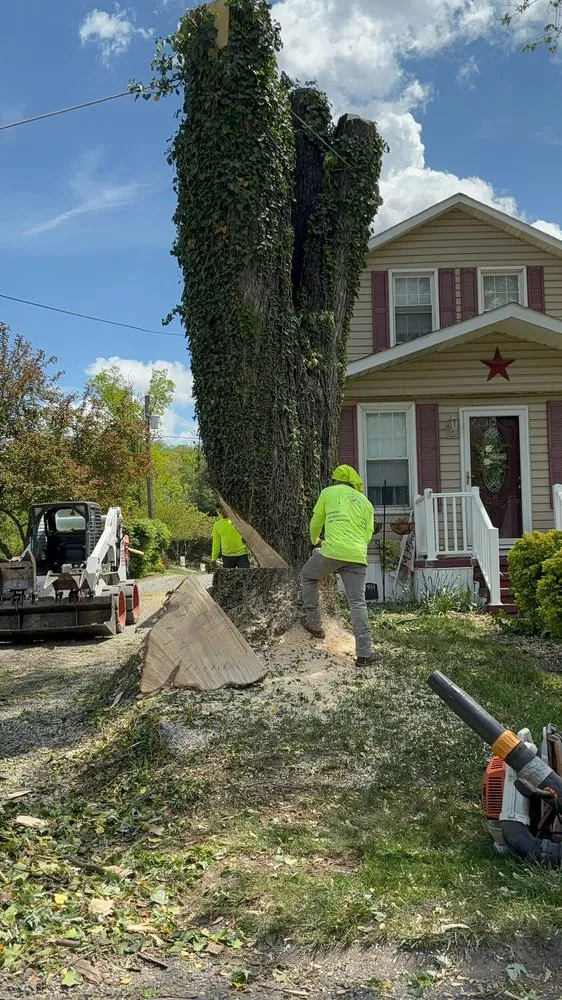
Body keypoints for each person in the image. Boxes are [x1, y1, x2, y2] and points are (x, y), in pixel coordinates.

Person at [300, 464, 381, 667]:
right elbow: (368, 533)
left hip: (332, 552)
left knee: (308, 576)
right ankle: (364, 653)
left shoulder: (328, 492)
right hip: (357, 555)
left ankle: (315, 624)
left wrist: (314, 540)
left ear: (336, 480)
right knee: (357, 602)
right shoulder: (366, 503)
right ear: (355, 482)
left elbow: (316, 521)